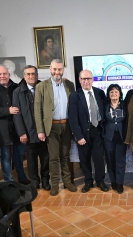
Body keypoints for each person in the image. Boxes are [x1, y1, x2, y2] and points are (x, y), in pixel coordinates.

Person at [34, 59, 76, 195]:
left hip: (67, 125)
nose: (57, 72)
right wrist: (40, 130)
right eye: (54, 69)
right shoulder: (41, 86)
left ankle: (68, 182)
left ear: (63, 70)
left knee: (65, 156)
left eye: (59, 69)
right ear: (50, 70)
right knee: (53, 157)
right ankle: (55, 184)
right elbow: (37, 110)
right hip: (51, 127)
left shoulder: (70, 85)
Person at [0, 65, 29, 183]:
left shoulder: (17, 87)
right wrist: (7, 110)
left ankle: (21, 177)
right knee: (6, 156)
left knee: (19, 154)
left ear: (8, 74)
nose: (2, 76)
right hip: (0, 129)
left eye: (4, 74)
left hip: (17, 128)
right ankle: (9, 180)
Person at [69, 70, 109, 193]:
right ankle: (88, 181)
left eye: (89, 78)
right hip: (83, 133)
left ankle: (100, 181)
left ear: (92, 79)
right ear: (80, 80)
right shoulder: (75, 96)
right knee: (85, 159)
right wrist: (79, 136)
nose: (86, 81)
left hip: (97, 131)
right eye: (83, 79)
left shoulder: (100, 93)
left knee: (98, 158)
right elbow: (73, 118)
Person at [13, 65, 50, 190]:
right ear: (24, 76)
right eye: (28, 74)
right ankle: (34, 181)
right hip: (28, 132)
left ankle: (45, 180)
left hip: (44, 131)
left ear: (37, 75)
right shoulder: (17, 92)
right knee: (31, 159)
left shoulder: (43, 87)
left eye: (33, 74)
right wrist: (21, 133)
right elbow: (16, 114)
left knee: (45, 158)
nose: (31, 76)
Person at [103, 84, 127, 194]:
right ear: (108, 94)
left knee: (120, 161)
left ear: (120, 94)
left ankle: (120, 183)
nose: (114, 94)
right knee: (110, 160)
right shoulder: (105, 105)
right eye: (111, 92)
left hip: (122, 137)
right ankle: (113, 181)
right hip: (108, 137)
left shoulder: (124, 105)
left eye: (116, 92)